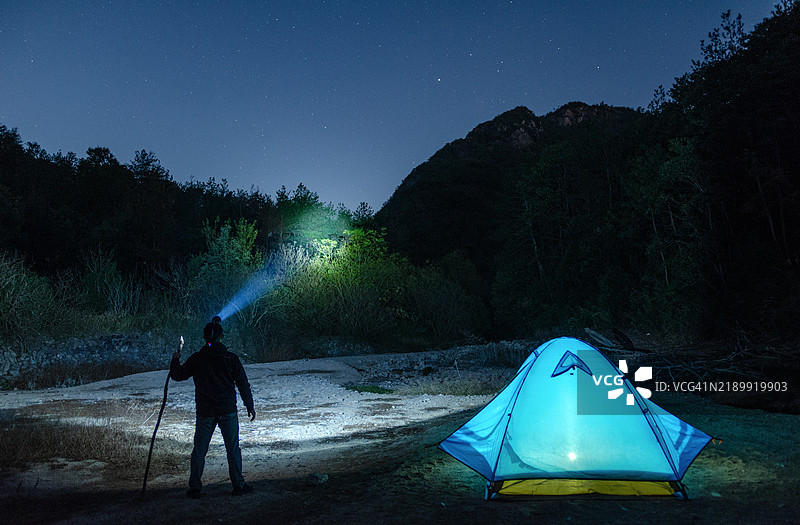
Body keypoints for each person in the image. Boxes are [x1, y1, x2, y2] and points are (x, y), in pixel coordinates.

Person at [170, 316, 256, 498]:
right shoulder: (230, 358)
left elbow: (178, 375)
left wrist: (175, 359)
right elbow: (242, 383)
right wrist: (249, 404)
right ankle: (238, 486)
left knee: (199, 449)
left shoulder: (198, 359)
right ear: (222, 337)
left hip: (205, 412)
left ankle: (195, 488)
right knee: (232, 448)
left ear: (204, 337)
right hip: (227, 410)